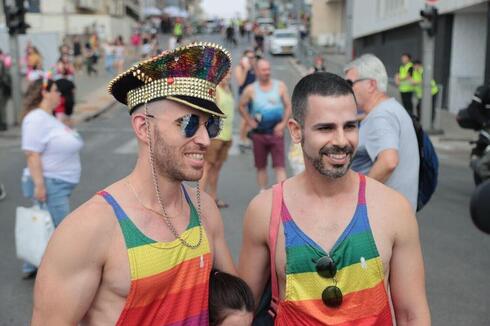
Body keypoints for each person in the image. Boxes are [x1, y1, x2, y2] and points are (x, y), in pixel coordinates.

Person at [32, 43, 236, 325]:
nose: (204, 139)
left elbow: (234, 301)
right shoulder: (88, 230)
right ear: (143, 127)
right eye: (189, 123)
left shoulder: (206, 211)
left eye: (210, 125)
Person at [239, 72, 431, 325]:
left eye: (350, 126)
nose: (341, 141)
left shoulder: (393, 208)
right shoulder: (265, 210)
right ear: (296, 131)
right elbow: (241, 313)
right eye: (326, 128)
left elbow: (411, 314)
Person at [20, 78, 84, 279]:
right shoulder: (36, 119)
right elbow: (31, 154)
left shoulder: (50, 117)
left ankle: (32, 265)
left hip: (56, 183)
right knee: (60, 229)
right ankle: (61, 273)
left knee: (44, 224)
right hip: (49, 183)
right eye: (56, 90)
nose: (60, 94)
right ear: (44, 93)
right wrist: (40, 186)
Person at [345, 54, 420, 211]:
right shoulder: (388, 109)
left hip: (381, 217)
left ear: (371, 85)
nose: (347, 90)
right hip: (393, 214)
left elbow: (388, 162)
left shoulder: (381, 115)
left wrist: (358, 198)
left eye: (350, 83)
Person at [239, 58, 291, 191]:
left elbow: (288, 106)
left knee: (280, 166)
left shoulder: (280, 86)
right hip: (259, 134)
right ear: (257, 71)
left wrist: (283, 124)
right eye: (263, 70)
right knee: (261, 166)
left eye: (268, 69)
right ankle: (263, 192)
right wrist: (250, 121)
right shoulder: (251, 89)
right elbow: (241, 106)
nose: (267, 72)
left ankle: (283, 196)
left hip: (276, 133)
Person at [200, 72, 234, 209]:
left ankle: (213, 198)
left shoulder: (228, 89)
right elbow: (206, 112)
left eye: (229, 74)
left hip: (227, 136)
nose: (227, 76)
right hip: (215, 137)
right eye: (225, 74)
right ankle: (199, 202)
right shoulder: (215, 90)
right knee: (207, 167)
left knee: (217, 168)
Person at [235, 49, 256, 151]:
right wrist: (246, 69)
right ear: (244, 58)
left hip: (253, 97)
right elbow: (240, 82)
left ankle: (246, 138)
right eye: (249, 57)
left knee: (250, 118)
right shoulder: (240, 68)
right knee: (244, 119)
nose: (251, 59)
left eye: (253, 57)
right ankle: (241, 139)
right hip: (244, 97)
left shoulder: (254, 67)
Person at [0, 49, 12, 131]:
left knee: (1, 106)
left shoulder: (2, 62)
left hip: (2, 88)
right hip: (4, 87)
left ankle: (3, 124)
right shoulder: (3, 61)